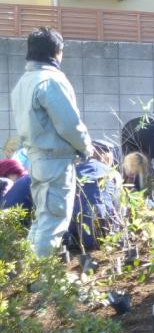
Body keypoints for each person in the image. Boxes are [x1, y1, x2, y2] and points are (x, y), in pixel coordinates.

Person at [10, 27, 92, 257]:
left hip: (35, 159)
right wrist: (86, 147)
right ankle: (41, 282)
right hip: (55, 160)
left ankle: (29, 274)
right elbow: (69, 124)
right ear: (57, 51)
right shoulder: (51, 80)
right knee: (54, 220)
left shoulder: (23, 83)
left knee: (42, 218)